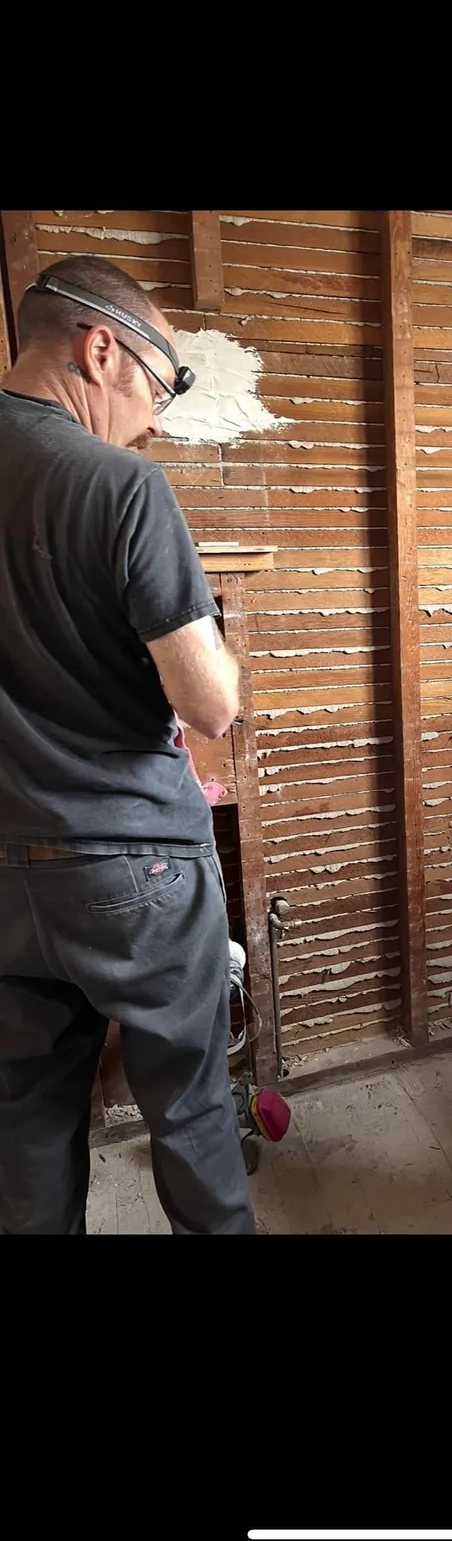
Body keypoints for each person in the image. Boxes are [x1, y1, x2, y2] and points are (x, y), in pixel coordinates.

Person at [0, 255, 256, 1234]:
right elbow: (209, 705)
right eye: (155, 388)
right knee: (190, 1110)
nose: (152, 419)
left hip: (4, 875)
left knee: (24, 1127)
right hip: (130, 866)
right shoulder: (118, 487)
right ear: (97, 347)